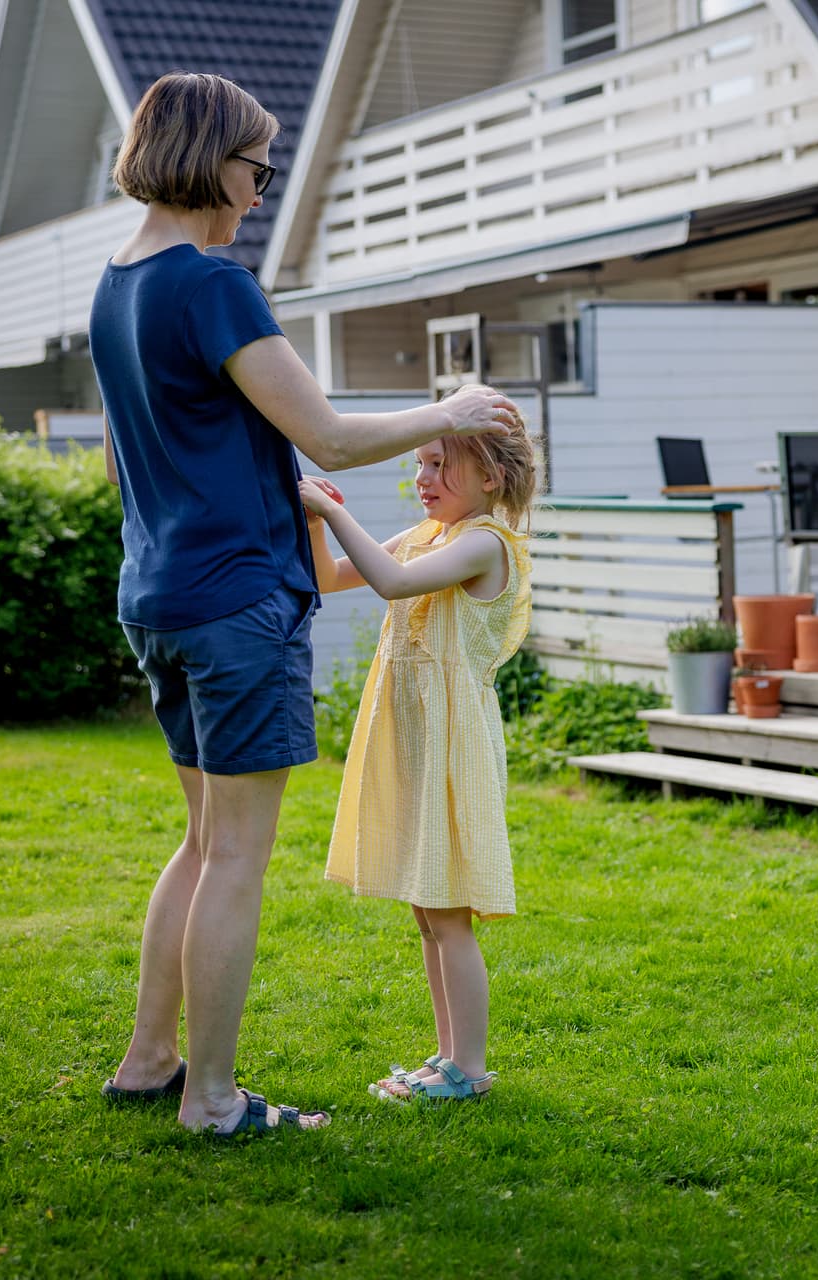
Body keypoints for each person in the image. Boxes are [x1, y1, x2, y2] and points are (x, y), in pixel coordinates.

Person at [89, 71, 521, 1137]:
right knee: (234, 852)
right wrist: (452, 407)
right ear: (207, 158)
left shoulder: (115, 286)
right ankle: (216, 1100)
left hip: (157, 595)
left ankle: (151, 1060)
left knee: (199, 841)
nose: (259, 191)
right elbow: (325, 436)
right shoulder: (210, 282)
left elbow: (121, 463)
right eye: (255, 168)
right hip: (236, 605)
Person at [296, 427, 536, 1103]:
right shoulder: (431, 534)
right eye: (420, 465)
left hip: (452, 746)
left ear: (491, 477)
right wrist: (319, 522)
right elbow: (329, 577)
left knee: (449, 912)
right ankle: (448, 1055)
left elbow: (392, 582)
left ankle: (473, 1068)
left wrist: (337, 511)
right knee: (427, 910)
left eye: (438, 465)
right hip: (416, 742)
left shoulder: (484, 542)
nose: (423, 478)